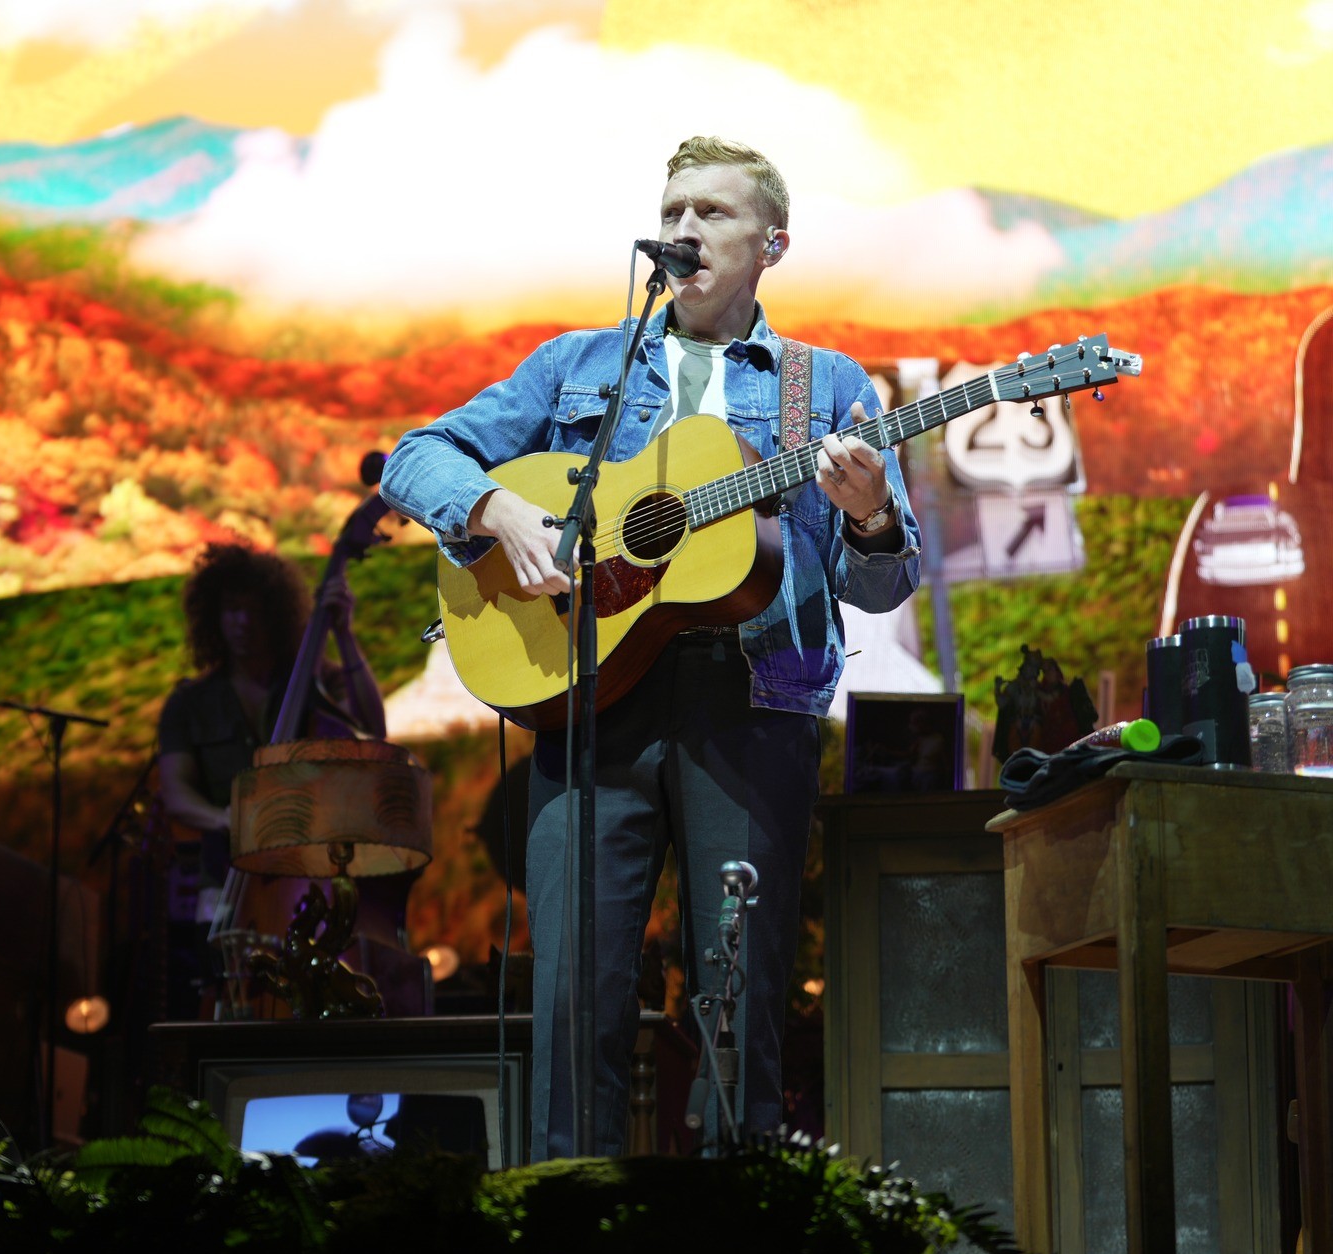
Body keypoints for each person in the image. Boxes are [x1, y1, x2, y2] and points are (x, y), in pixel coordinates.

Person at [380, 135, 922, 1157]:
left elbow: (882, 584)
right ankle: (567, 1241)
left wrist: (865, 518)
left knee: (739, 986)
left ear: (771, 244)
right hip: (588, 694)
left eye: (710, 213)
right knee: (573, 989)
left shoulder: (827, 384)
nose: (681, 229)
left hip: (753, 699)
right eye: (671, 210)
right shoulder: (577, 364)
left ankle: (728, 1245)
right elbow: (414, 459)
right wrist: (494, 508)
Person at [154, 543, 386, 1014]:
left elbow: (373, 728)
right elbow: (175, 794)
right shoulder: (190, 702)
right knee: (223, 997)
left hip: (309, 885)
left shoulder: (313, 681)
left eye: (254, 610)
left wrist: (343, 632)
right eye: (231, 610)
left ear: (276, 615)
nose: (243, 623)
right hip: (222, 881)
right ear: (214, 616)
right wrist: (230, 820)